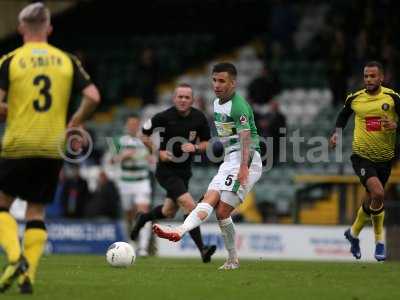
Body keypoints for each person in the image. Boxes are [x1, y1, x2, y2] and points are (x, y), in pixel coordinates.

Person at [0, 3, 100, 294]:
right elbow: (93, 96)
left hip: (19, 143)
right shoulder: (66, 60)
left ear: (20, 29)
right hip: (52, 147)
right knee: (36, 211)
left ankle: (15, 256)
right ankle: (28, 276)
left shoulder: (10, 60)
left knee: (2, 205)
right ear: (49, 28)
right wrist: (75, 122)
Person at [153, 63, 263, 270]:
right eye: (214, 80)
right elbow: (225, 139)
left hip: (247, 159)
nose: (217, 85)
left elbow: (246, 137)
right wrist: (196, 148)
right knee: (209, 198)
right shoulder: (216, 103)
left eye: (222, 81)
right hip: (230, 160)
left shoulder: (238, 105)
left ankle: (232, 260)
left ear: (233, 83)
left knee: (222, 211)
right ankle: (179, 231)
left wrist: (243, 167)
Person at [130, 83, 216, 263]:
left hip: (185, 172)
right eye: (180, 97)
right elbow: (142, 134)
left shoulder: (199, 118)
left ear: (192, 100)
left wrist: (195, 147)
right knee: (189, 204)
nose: (183, 100)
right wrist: (157, 151)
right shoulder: (164, 116)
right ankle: (203, 249)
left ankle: (143, 218)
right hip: (166, 171)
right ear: (174, 98)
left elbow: (207, 143)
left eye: (187, 97)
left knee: (168, 211)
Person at [330, 61, 400, 262]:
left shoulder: (392, 97)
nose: (368, 79)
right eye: (366, 76)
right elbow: (343, 116)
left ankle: (352, 234)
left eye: (372, 76)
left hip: (385, 159)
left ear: (381, 78)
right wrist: (336, 134)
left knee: (375, 200)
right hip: (362, 157)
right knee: (378, 193)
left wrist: (395, 124)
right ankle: (380, 242)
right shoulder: (355, 98)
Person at [110, 114, 153, 256]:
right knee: (128, 215)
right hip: (126, 182)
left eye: (135, 124)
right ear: (126, 126)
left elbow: (154, 155)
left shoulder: (145, 140)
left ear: (139, 125)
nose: (133, 127)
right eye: (130, 124)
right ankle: (131, 242)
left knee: (142, 212)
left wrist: (151, 157)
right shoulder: (118, 141)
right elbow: (111, 160)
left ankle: (143, 248)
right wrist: (123, 155)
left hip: (142, 181)